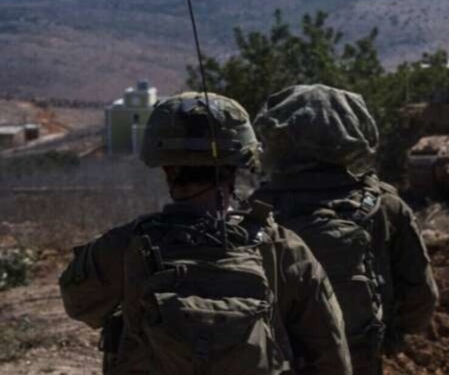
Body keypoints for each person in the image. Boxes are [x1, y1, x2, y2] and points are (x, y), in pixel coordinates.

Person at [58, 92, 352, 375]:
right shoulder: (284, 248)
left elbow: (79, 305)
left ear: (166, 168)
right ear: (237, 165)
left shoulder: (126, 244)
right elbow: (331, 357)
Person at [252, 84, 439, 375]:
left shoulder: (255, 210)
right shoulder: (385, 206)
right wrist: (388, 339)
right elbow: (422, 297)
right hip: (360, 358)